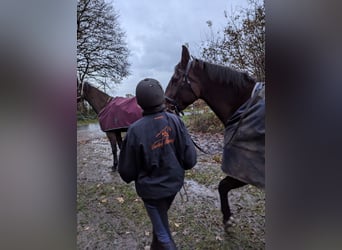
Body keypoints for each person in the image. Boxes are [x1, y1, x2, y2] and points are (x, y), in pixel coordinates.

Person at [118, 78, 197, 250]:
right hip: (173, 186)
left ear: (139, 103)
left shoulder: (134, 130)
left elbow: (126, 172)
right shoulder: (176, 121)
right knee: (161, 220)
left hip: (152, 194)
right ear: (162, 98)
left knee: (163, 233)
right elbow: (190, 160)